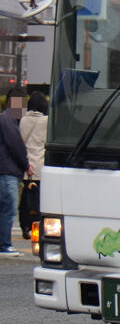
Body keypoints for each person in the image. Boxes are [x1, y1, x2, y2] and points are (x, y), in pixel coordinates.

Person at [0, 87, 29, 256]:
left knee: (4, 209)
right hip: (8, 171)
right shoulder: (8, 120)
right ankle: (4, 245)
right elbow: (16, 146)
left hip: (5, 169)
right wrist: (26, 164)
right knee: (8, 209)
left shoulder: (6, 119)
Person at [19, 89, 47, 240]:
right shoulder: (46, 121)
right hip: (40, 166)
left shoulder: (23, 120)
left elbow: (20, 142)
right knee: (38, 199)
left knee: (26, 198)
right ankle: (37, 225)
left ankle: (25, 225)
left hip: (26, 166)